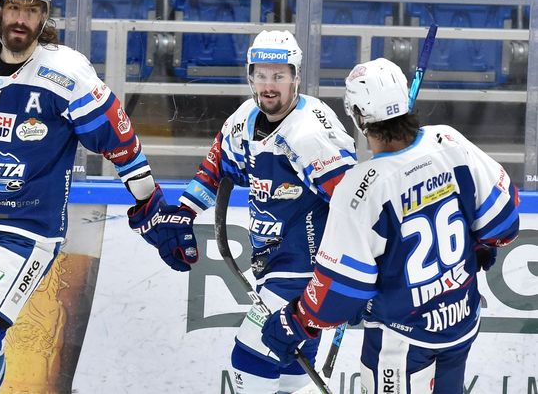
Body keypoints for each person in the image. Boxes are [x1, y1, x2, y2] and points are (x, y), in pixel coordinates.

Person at [0, 0, 169, 394]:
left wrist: (148, 202)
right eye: (14, 7)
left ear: (44, 17)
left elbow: (118, 137)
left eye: (32, 11)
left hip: (27, 232)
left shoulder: (66, 72)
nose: (21, 19)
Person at [260, 58, 520, 394]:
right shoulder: (449, 141)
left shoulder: (359, 188)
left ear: (357, 116)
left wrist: (297, 319)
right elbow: (504, 222)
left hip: (402, 341)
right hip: (460, 324)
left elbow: (340, 289)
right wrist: (480, 245)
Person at [130, 30, 357, 393]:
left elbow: (352, 205)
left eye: (279, 76)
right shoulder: (244, 118)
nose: (269, 85)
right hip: (273, 263)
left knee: (252, 355)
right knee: (289, 363)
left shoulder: (309, 134)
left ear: (296, 77)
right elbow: (217, 167)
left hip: (306, 269)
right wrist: (185, 212)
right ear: (250, 76)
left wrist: (353, 274)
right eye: (261, 75)